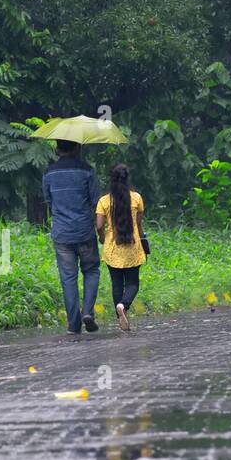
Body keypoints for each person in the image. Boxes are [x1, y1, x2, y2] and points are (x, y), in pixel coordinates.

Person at [42, 140, 101, 334]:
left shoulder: (49, 173)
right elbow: (96, 203)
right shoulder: (87, 171)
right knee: (91, 271)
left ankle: (73, 325)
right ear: (77, 148)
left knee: (68, 278)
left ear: (58, 149)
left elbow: (49, 201)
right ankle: (88, 312)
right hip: (85, 231)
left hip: (61, 234)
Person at [95, 163, 145, 332]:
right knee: (132, 283)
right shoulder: (137, 198)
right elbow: (138, 224)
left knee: (117, 284)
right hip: (132, 246)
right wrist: (143, 240)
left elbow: (99, 225)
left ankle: (120, 315)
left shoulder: (104, 201)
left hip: (112, 247)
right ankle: (123, 306)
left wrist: (102, 238)